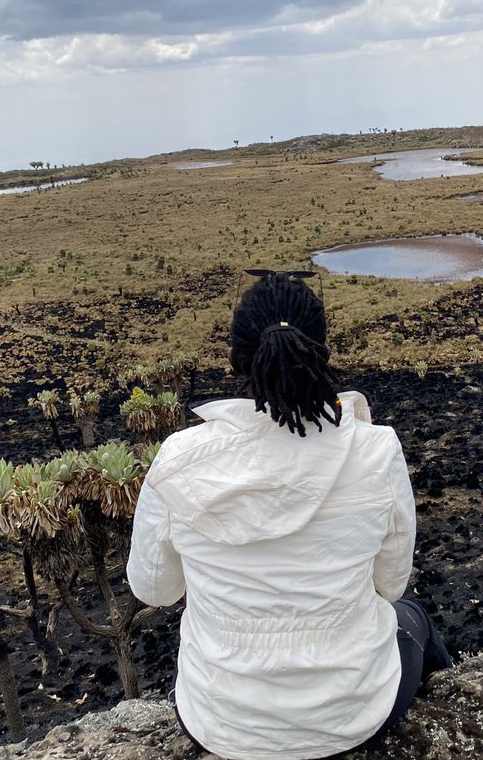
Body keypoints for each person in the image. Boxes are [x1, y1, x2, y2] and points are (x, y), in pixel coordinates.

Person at [127, 270, 451, 760]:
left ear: (236, 358)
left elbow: (154, 590)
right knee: (414, 618)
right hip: (353, 717)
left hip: (220, 723)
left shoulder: (177, 460)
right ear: (321, 354)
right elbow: (392, 585)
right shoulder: (377, 449)